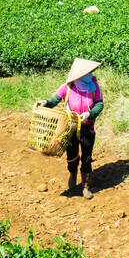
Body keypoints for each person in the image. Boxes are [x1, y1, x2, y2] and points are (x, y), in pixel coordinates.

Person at [42, 57, 103, 198]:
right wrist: (46, 102)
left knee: (87, 158)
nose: (90, 75)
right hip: (71, 128)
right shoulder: (68, 87)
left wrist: (90, 113)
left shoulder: (93, 87)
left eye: (91, 72)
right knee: (72, 155)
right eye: (87, 73)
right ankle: (72, 174)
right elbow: (54, 100)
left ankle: (86, 186)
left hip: (87, 128)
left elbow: (99, 103)